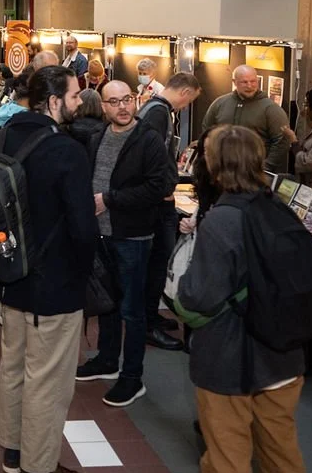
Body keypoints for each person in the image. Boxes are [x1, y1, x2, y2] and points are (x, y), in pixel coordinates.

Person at [176, 125, 308, 473]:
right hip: (284, 357)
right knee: (283, 455)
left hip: (230, 360)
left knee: (228, 459)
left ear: (215, 165)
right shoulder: (280, 209)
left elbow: (198, 296)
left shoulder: (222, 220)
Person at [0, 65, 98, 473]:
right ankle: (41, 470)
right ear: (53, 101)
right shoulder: (66, 151)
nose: (78, 104)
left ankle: (13, 453)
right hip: (55, 286)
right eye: (73, 97)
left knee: (13, 368)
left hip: (11, 279)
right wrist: (83, 271)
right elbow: (83, 227)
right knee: (47, 380)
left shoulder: (4, 135)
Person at [74, 80, 173, 407]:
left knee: (132, 309)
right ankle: (106, 359)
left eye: (127, 100)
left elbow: (161, 185)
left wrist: (110, 199)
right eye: (114, 101)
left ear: (136, 100)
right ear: (103, 106)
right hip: (100, 235)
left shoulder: (148, 140)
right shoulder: (96, 138)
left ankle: (132, 378)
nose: (123, 107)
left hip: (133, 237)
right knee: (107, 302)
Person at [138, 72, 202, 352]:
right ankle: (148, 323)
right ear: (186, 93)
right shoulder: (159, 113)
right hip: (156, 202)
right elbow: (152, 157)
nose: (187, 107)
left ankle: (150, 316)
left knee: (157, 262)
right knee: (156, 264)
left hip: (157, 198)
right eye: (190, 101)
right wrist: (162, 188)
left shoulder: (154, 109)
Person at [202, 65, 290, 172]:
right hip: (222, 170)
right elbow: (207, 132)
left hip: (254, 172)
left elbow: (282, 141)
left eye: (253, 81)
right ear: (234, 82)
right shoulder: (220, 104)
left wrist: (266, 167)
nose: (249, 86)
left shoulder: (271, 109)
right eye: (244, 82)